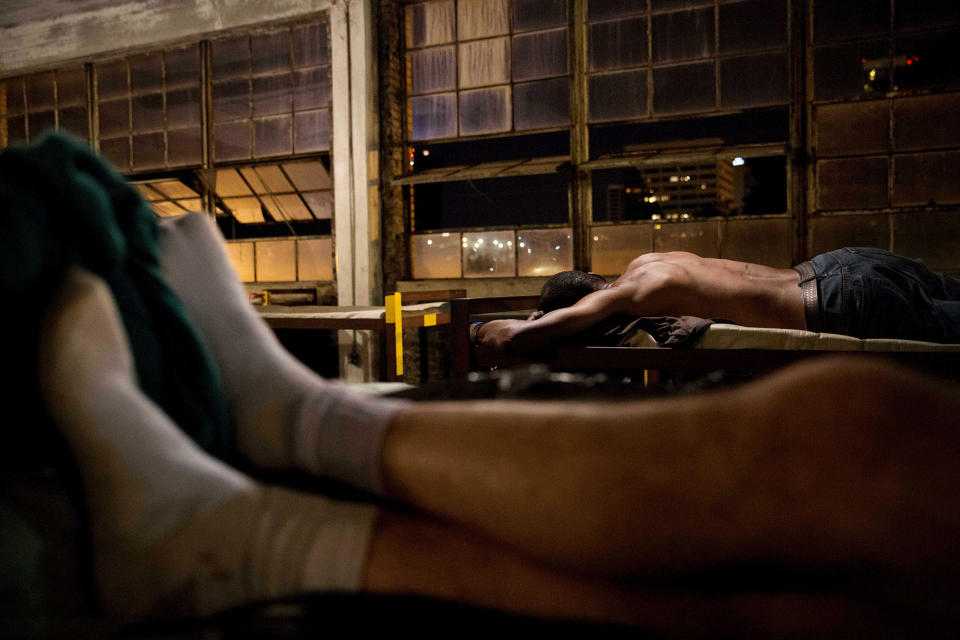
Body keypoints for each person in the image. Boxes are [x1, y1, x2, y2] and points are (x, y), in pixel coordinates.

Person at [36, 211, 960, 635]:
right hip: (861, 278)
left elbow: (569, 324)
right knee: (853, 529)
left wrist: (520, 330)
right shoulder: (663, 270)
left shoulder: (648, 277)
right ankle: (278, 448)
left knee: (870, 445)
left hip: (850, 285)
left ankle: (288, 437)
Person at [473, 250, 960, 356]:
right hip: (843, 264)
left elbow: (511, 336)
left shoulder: (630, 295)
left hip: (839, 301)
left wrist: (478, 329)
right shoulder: (649, 262)